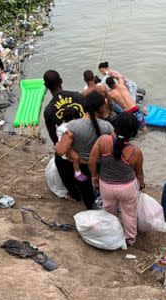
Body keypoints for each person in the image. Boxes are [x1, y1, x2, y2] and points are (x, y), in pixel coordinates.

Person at [89, 112, 144, 245]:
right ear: (133, 133)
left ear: (115, 126)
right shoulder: (135, 152)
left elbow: (92, 161)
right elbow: (139, 173)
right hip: (127, 188)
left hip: (106, 185)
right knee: (129, 213)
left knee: (108, 210)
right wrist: (142, 185)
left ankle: (110, 234)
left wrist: (94, 176)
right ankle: (130, 239)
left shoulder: (103, 141)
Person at [56, 92, 114, 209]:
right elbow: (115, 146)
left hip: (81, 168)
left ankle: (90, 210)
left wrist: (64, 147)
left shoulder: (73, 126)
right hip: (100, 167)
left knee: (87, 194)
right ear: (101, 107)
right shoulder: (107, 126)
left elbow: (61, 151)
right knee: (101, 193)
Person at [43, 70, 86, 201]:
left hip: (70, 145)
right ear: (61, 81)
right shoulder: (79, 97)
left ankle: (74, 194)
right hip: (88, 141)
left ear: (46, 86)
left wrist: (60, 145)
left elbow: (53, 136)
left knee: (60, 161)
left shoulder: (49, 109)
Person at [56, 107, 88, 182]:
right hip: (66, 149)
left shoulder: (65, 124)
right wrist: (67, 131)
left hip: (69, 146)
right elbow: (60, 128)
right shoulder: (65, 126)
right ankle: (77, 173)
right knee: (76, 158)